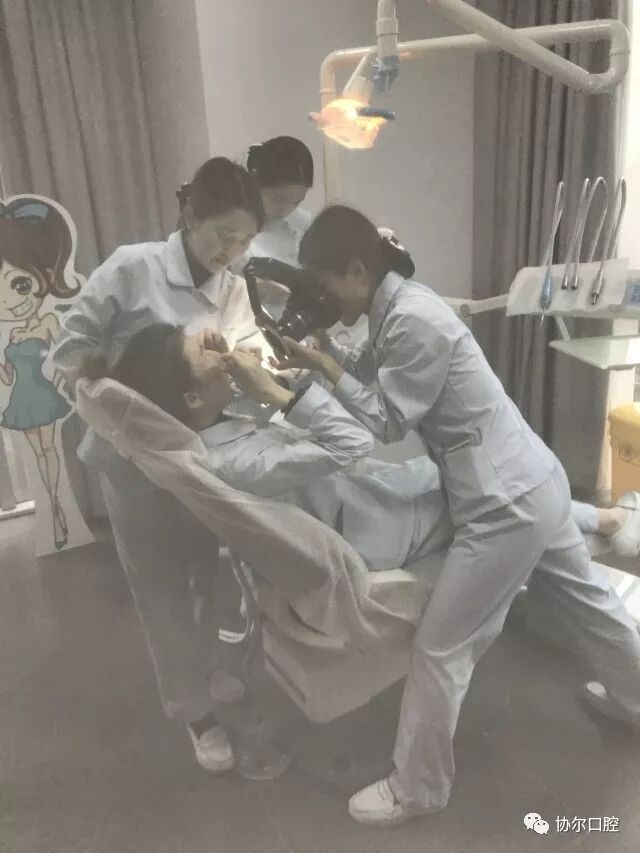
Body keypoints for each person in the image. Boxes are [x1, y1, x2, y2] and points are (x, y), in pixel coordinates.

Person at [272, 204, 640, 826]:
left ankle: (417, 788)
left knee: (442, 647)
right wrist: (329, 353)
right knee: (589, 604)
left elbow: (387, 421)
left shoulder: (413, 318)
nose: (324, 299)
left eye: (325, 285)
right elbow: (379, 370)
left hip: (504, 506)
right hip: (533, 479)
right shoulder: (398, 308)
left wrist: (325, 372)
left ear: (357, 270)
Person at [81, 321, 640, 599]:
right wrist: (276, 392)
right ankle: (606, 524)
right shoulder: (231, 466)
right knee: (501, 493)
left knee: (479, 473)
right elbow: (352, 442)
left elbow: (275, 424)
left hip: (367, 497)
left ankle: (603, 522)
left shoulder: (215, 426)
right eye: (203, 352)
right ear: (191, 398)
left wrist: (249, 376)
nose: (217, 349)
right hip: (376, 533)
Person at [50, 158, 268, 775]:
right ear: (190, 216)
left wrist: (246, 361)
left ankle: (213, 668)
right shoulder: (132, 269)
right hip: (132, 462)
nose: (232, 251)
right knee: (160, 590)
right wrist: (120, 390)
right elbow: (68, 352)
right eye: (223, 235)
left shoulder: (233, 287)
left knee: (207, 575)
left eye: (244, 240)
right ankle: (193, 711)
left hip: (197, 459)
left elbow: (248, 347)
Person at [0, 199, 83, 549]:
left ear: (45, 277)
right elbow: (7, 378)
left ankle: (57, 512)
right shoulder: (11, 337)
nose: (9, 300)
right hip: (21, 400)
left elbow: (64, 353)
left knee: (50, 451)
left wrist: (67, 378)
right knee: (39, 455)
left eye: (20, 285)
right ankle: (53, 510)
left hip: (43, 395)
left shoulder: (48, 320)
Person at [232, 136, 314, 314]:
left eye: (296, 202)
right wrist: (253, 289)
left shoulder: (302, 222)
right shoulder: (230, 222)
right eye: (277, 200)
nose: (286, 209)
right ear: (255, 182)